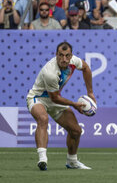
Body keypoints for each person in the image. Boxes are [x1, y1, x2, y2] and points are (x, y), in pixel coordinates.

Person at [26, 42, 95, 171]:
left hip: (54, 99)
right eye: (61, 55)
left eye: (67, 56)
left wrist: (90, 92)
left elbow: (86, 68)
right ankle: (42, 159)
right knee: (43, 119)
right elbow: (55, 98)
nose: (64, 59)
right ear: (56, 55)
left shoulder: (74, 61)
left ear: (71, 56)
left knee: (76, 131)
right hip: (38, 98)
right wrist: (74, 104)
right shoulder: (50, 72)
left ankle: (72, 162)